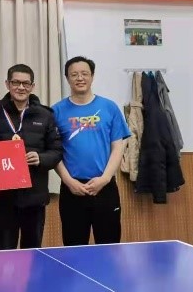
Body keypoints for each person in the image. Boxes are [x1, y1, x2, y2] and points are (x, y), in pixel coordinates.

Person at [53, 56, 130, 246]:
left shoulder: (109, 107)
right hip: (72, 189)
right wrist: (69, 181)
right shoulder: (56, 111)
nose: (80, 78)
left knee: (109, 247)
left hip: (104, 187)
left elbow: (118, 147)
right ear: (67, 78)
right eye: (74, 74)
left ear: (92, 76)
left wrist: (105, 179)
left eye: (84, 73)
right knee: (74, 249)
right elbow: (54, 152)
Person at [0, 63, 62, 250]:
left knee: (33, 250)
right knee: (4, 252)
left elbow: (56, 151)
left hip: (34, 196)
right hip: (3, 197)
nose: (21, 87)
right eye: (16, 82)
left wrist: (41, 159)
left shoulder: (45, 115)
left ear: (32, 86)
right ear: (7, 84)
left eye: (26, 83)